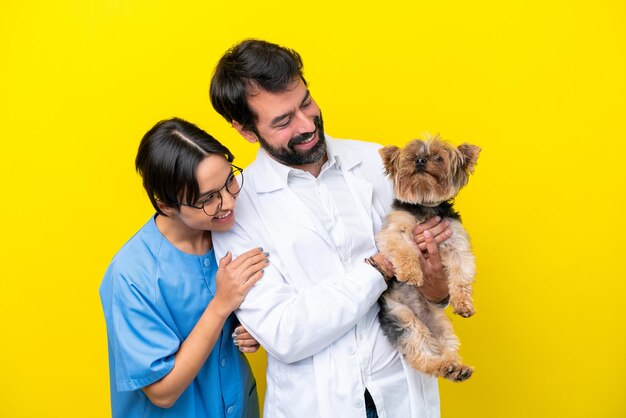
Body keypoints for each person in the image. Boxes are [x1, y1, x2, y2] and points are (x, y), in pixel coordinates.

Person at [209, 39, 453, 418]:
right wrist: (380, 266)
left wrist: (436, 281)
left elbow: (434, 291)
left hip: (403, 397)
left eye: (305, 102)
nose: (307, 124)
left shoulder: (379, 164)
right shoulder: (238, 211)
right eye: (283, 121)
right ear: (245, 130)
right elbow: (285, 333)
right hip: (317, 405)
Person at [99, 117, 268, 418]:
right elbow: (162, 392)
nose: (229, 202)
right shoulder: (131, 275)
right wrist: (220, 306)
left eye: (230, 180)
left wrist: (255, 329)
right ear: (165, 205)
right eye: (208, 199)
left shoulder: (234, 232)